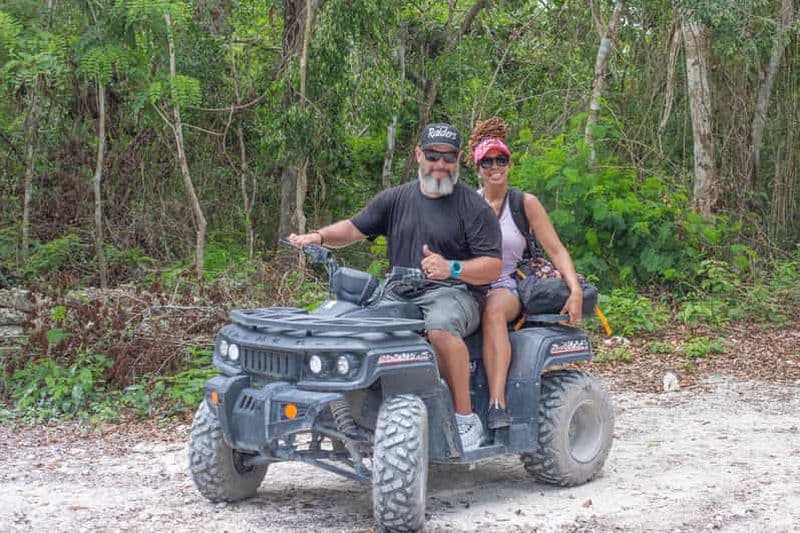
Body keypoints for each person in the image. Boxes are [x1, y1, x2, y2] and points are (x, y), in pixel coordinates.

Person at [289, 123, 502, 450]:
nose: (440, 164)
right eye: (433, 155)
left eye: (448, 157)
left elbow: (492, 266)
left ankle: (464, 418)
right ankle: (346, 410)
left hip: (455, 292)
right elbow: (353, 228)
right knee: (346, 326)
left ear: (458, 159)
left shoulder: (472, 207)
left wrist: (451, 267)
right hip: (400, 291)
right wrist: (317, 237)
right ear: (419, 154)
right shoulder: (396, 199)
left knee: (440, 328)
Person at [467, 117, 583, 430]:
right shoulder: (467, 203)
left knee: (492, 310)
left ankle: (496, 404)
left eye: (501, 160)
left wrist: (575, 290)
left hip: (507, 286)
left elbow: (556, 249)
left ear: (509, 163)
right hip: (468, 283)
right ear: (477, 167)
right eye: (487, 161)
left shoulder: (524, 203)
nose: (495, 167)